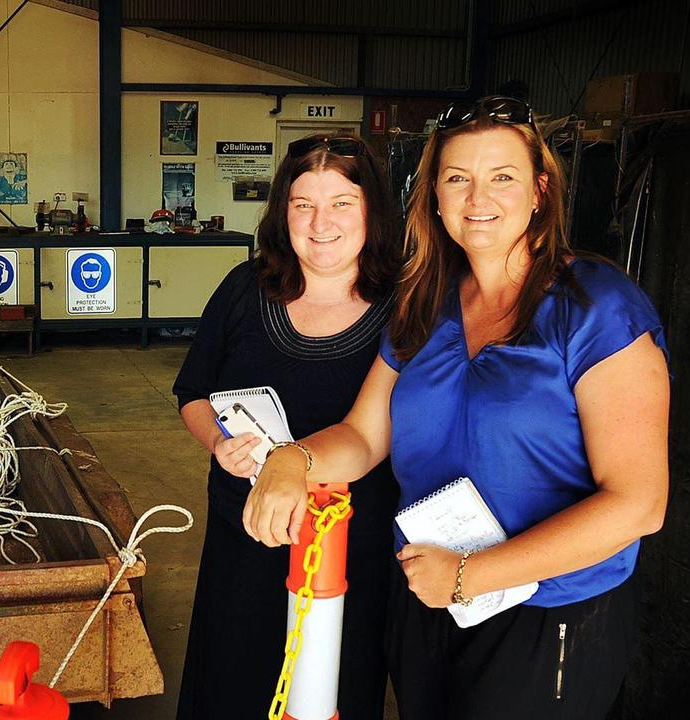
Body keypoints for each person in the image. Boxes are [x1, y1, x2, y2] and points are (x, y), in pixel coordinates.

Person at [244, 97, 669, 720]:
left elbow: (639, 502)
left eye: (502, 177)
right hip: (428, 594)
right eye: (457, 179)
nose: (478, 198)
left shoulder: (597, 309)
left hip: (546, 612)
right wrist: (293, 459)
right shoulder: (426, 303)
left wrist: (473, 573)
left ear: (539, 190)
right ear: (435, 198)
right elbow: (363, 438)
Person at [173, 134, 401, 720]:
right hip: (245, 540)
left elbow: (380, 433)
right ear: (283, 213)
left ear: (372, 210)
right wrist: (220, 443)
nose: (320, 222)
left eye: (341, 203)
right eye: (303, 204)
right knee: (233, 682)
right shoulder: (245, 290)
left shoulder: (406, 307)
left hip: (351, 550)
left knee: (333, 688)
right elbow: (192, 392)